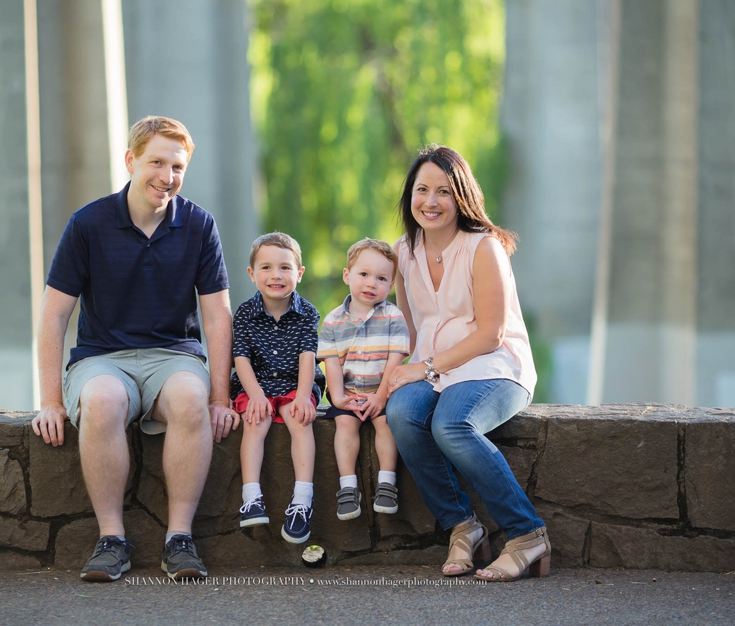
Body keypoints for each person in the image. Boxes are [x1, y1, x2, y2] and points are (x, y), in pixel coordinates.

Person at [31, 115, 240, 583]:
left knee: (191, 400)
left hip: (174, 357)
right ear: (130, 160)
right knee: (102, 401)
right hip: (103, 359)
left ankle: (179, 539)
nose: (167, 177)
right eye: (157, 163)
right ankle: (111, 541)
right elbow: (54, 315)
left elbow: (216, 317)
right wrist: (49, 400)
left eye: (178, 166)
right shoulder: (88, 224)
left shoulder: (199, 225)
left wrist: (221, 398)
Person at [385, 145, 550, 582]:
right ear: (410, 196)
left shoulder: (484, 248)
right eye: (422, 190)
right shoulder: (402, 252)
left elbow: (490, 334)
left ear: (462, 197)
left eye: (444, 191)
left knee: (451, 425)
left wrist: (423, 369)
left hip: (495, 367)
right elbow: (410, 332)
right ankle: (464, 527)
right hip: (435, 369)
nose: (431, 201)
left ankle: (527, 534)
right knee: (401, 413)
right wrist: (388, 381)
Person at [231, 232, 325, 544]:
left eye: (285, 268)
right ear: (252, 274)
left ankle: (302, 501)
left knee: (300, 420)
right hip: (255, 383)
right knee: (256, 421)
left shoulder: (308, 313)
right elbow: (241, 358)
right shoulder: (244, 314)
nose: (276, 276)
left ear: (299, 273)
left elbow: (308, 358)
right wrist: (255, 394)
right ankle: (251, 497)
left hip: (295, 382)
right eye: (267, 268)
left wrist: (302, 396)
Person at [317, 238, 409, 521]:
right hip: (349, 393)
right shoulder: (333, 320)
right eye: (364, 275)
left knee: (386, 422)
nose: (371, 284)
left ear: (391, 285)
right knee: (345, 424)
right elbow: (331, 363)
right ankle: (347, 488)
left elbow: (396, 358)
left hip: (383, 392)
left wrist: (381, 396)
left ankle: (386, 482)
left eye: (381, 278)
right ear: (348, 276)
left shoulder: (393, 315)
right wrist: (339, 397)